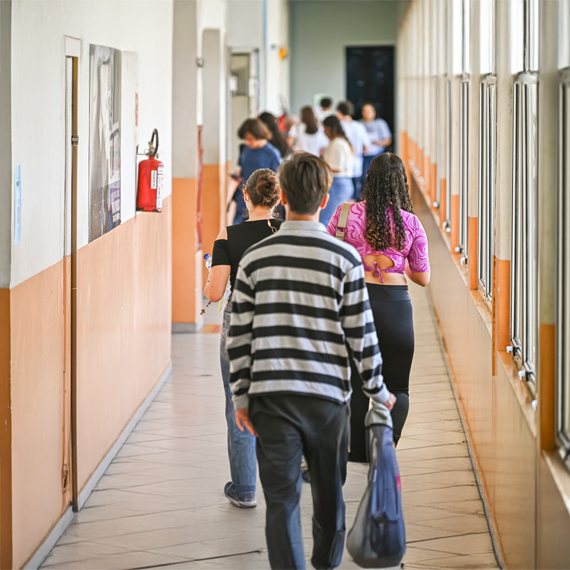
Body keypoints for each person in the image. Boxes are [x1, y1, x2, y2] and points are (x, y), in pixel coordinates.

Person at [227, 152, 396, 570]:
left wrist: (241, 398)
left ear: (282, 196)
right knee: (329, 496)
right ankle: (327, 563)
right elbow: (362, 335)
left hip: (272, 397)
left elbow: (239, 338)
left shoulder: (254, 259)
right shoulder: (345, 259)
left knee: (281, 502)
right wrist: (377, 391)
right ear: (325, 199)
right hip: (327, 401)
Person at [327, 153, 430, 458]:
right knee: (398, 386)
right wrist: (399, 264)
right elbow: (422, 277)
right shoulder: (411, 223)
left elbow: (330, 257)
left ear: (368, 180)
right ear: (401, 184)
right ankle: (387, 446)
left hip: (356, 303)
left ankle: (356, 450)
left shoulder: (345, 214)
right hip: (396, 308)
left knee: (357, 384)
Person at [204, 169, 283, 509]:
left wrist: (208, 271)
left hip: (240, 324)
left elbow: (215, 290)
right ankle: (283, 484)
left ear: (246, 197)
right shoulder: (288, 233)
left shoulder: (228, 236)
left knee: (238, 402)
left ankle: (245, 489)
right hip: (281, 322)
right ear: (278, 200)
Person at [231, 119, 281, 225]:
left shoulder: (272, 154)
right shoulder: (246, 149)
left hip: (261, 201)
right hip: (243, 199)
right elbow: (243, 170)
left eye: (250, 139)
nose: (247, 142)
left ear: (259, 135)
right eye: (245, 139)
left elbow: (277, 180)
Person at [320, 115, 354, 225]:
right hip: (341, 183)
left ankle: (324, 242)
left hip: (338, 184)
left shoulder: (337, 143)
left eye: (324, 128)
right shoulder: (337, 142)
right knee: (334, 220)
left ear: (330, 128)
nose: (324, 132)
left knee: (324, 218)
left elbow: (335, 168)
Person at [337, 101, 370, 201]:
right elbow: (366, 148)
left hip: (343, 165)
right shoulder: (359, 126)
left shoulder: (339, 126)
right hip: (357, 163)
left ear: (339, 112)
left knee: (344, 194)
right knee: (356, 192)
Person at [360, 104, 392, 191]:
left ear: (373, 112)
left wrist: (378, 143)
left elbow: (388, 139)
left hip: (377, 154)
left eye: (368, 111)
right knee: (364, 177)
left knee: (377, 176)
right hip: (363, 155)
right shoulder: (359, 123)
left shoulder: (380, 123)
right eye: (364, 111)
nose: (366, 113)